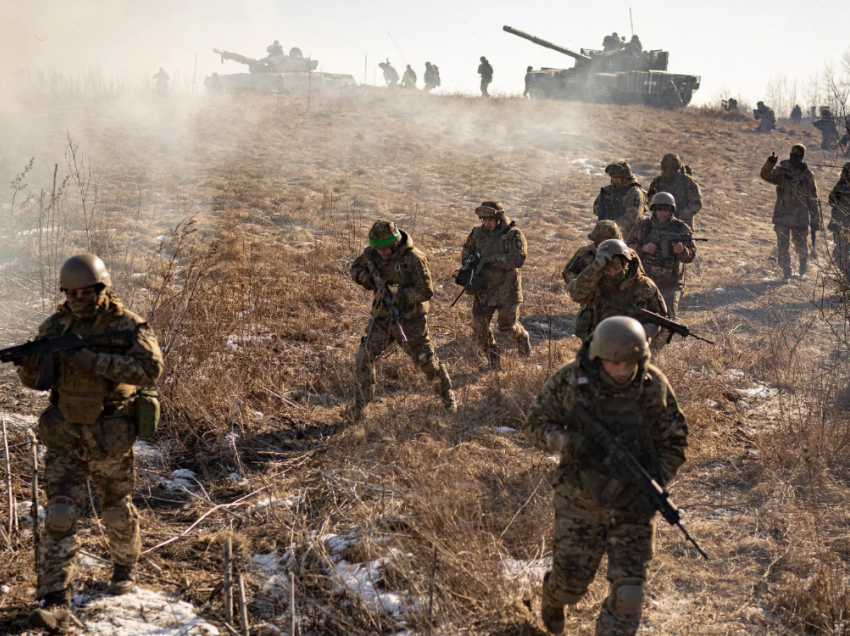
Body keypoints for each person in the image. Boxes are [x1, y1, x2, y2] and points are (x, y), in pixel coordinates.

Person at [17, 255, 163, 632]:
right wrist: (32, 364)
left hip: (110, 434)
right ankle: (54, 601)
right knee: (61, 514)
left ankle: (124, 568)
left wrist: (93, 361)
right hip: (66, 433)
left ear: (102, 289)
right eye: (72, 292)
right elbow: (36, 383)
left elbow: (150, 371)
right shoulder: (54, 325)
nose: (79, 297)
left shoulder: (127, 325)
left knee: (115, 510)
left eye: (86, 291)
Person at [523, 316, 689, 636]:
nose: (624, 370)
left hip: (633, 508)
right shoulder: (572, 381)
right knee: (569, 588)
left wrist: (653, 486)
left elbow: (676, 441)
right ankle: (552, 598)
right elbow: (535, 425)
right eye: (615, 362)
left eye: (631, 362)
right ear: (599, 356)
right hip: (579, 501)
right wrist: (570, 443)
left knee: (629, 597)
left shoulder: (652, 385)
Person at [347, 221, 456, 422]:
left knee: (425, 361)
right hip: (381, 317)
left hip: (410, 320)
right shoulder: (372, 254)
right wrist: (368, 280)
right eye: (378, 249)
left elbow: (426, 290)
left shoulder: (414, 258)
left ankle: (448, 400)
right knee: (364, 356)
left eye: (386, 249)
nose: (382, 253)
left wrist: (399, 295)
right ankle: (360, 408)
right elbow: (354, 268)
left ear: (395, 243)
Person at [460, 201, 531, 369]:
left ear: (499, 217)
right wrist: (470, 262)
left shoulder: (513, 234)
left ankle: (522, 337)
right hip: (483, 289)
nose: (486, 223)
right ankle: (493, 358)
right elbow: (466, 250)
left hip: (508, 290)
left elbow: (518, 259)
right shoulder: (477, 233)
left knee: (507, 328)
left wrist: (491, 259)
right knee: (478, 327)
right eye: (483, 219)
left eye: (490, 219)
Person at [626, 193, 696, 347]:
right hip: (644, 282)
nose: (663, 213)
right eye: (660, 209)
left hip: (671, 284)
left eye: (666, 210)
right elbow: (626, 249)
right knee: (638, 317)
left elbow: (691, 256)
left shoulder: (682, 228)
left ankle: (656, 351)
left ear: (672, 210)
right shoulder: (642, 226)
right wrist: (642, 248)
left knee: (666, 320)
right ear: (654, 209)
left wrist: (682, 250)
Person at [568, 239, 668, 342]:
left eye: (616, 269)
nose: (612, 274)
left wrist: (655, 328)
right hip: (599, 343)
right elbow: (577, 295)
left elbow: (662, 316)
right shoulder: (595, 282)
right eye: (607, 270)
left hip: (633, 346)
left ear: (626, 264)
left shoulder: (645, 285)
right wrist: (594, 267)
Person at [760, 144, 821, 279]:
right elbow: (765, 176)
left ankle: (803, 266)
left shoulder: (808, 175)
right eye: (792, 151)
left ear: (802, 155)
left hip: (800, 216)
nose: (794, 153)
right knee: (782, 245)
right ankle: (786, 272)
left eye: (797, 152)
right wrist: (770, 163)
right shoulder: (783, 171)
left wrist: (816, 220)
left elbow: (813, 198)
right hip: (783, 214)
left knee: (800, 243)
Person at [562, 221, 623, 341]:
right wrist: (577, 283)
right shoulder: (585, 253)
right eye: (602, 242)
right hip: (590, 304)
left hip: (618, 304)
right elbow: (568, 272)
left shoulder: (625, 255)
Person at [592, 161, 647, 241]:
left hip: (628, 237)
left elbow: (631, 218)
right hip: (608, 234)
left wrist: (610, 225)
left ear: (626, 177)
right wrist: (602, 209)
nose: (614, 180)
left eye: (617, 178)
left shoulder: (634, 193)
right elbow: (596, 207)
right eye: (613, 177)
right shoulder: (608, 190)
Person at [646, 154, 702, 227]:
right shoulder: (658, 181)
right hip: (659, 225)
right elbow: (649, 202)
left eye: (672, 169)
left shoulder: (688, 182)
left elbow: (696, 204)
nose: (668, 171)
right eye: (666, 168)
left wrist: (680, 216)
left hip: (682, 226)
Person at [828, 162, 850, 281]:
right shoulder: (842, 185)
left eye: (846, 172)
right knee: (839, 255)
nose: (843, 174)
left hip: (846, 226)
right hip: (840, 225)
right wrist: (841, 183)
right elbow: (831, 201)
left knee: (841, 254)